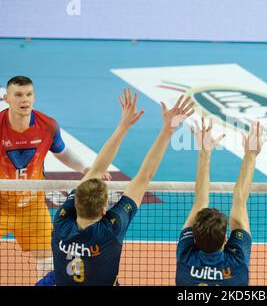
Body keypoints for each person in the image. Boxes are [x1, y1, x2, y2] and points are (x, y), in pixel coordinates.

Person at [50, 90, 194, 285]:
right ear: (103, 210)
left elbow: (96, 170)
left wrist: (123, 125)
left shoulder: (61, 222)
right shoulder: (110, 230)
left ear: (76, 203)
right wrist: (167, 129)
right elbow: (144, 177)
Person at [0, 76, 105, 282]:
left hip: (32, 208)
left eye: (29, 94)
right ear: (7, 99)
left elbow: (62, 152)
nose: (25, 100)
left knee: (50, 266)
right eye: (19, 95)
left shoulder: (47, 125)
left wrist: (86, 168)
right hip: (0, 205)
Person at [176, 118, 267, 286]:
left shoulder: (186, 257)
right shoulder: (237, 262)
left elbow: (200, 202)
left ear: (194, 238)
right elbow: (239, 201)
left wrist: (205, 152)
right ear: (225, 238)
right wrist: (251, 154)